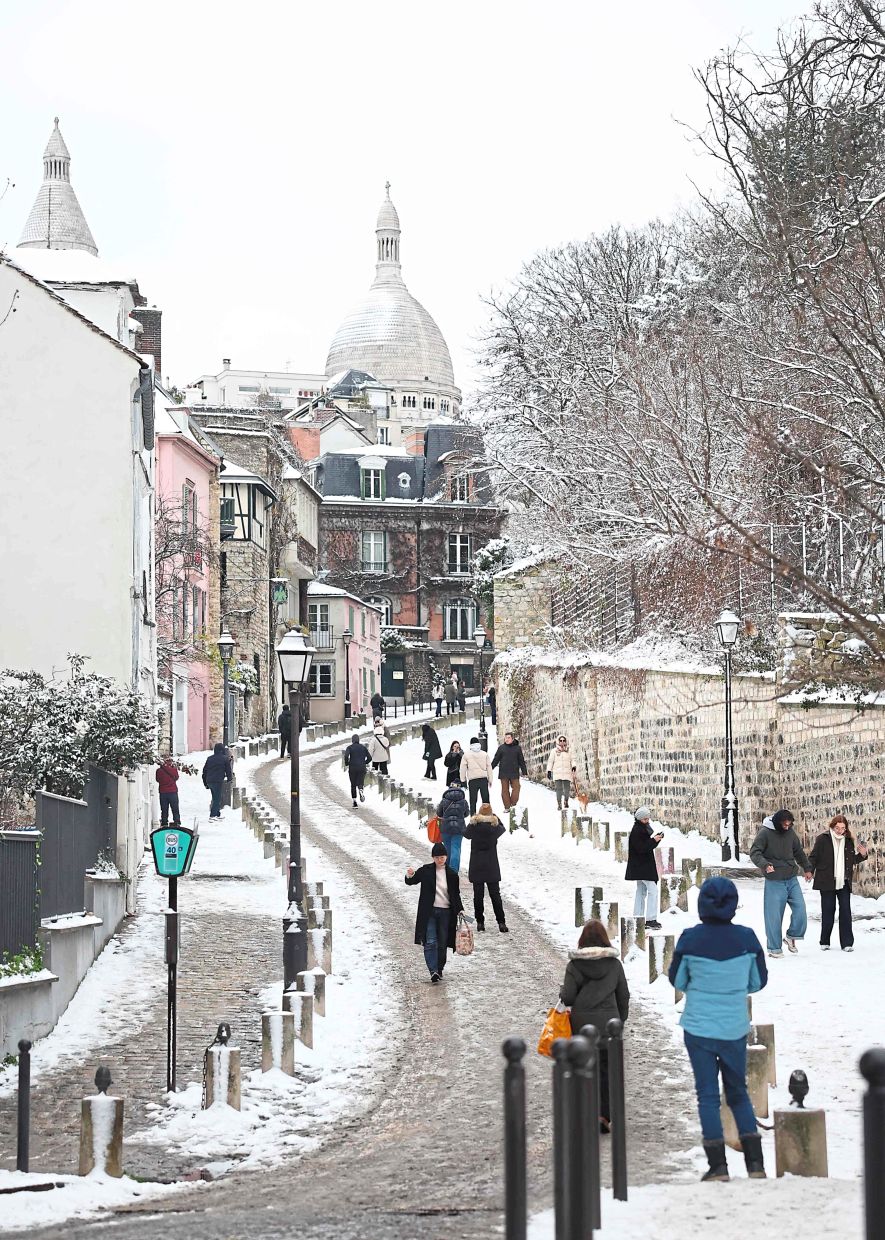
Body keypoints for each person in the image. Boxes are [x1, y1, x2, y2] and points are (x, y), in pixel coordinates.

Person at [668, 876, 768, 1182]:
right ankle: (755, 1164)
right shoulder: (748, 939)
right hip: (734, 1027)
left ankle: (718, 1166)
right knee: (738, 1094)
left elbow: (678, 980)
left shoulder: (689, 939)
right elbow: (758, 982)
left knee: (707, 1096)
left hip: (699, 1028)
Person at [559, 919, 630, 1131]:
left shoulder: (574, 965)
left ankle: (585, 1111)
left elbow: (569, 997)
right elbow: (623, 996)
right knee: (607, 1071)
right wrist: (620, 1020)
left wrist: (562, 991)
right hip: (609, 1024)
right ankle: (604, 1116)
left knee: (584, 1068)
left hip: (582, 1025)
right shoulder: (615, 965)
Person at [749, 808, 812, 958]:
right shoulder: (765, 833)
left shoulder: (790, 833)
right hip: (774, 880)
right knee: (774, 916)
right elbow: (755, 852)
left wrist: (807, 868)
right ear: (778, 823)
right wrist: (765, 864)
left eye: (790, 824)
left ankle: (791, 936)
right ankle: (774, 948)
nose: (787, 826)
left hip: (791, 878)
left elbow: (798, 852)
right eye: (785, 824)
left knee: (801, 910)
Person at [405, 841, 464, 984]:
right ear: (433, 857)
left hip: (446, 913)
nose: (440, 859)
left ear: (446, 857)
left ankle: (439, 968)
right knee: (431, 941)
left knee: (443, 943)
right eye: (437, 857)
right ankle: (433, 970)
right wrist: (410, 875)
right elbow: (411, 882)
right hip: (429, 912)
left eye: (443, 856)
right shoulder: (425, 871)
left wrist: (460, 909)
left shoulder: (451, 874)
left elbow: (455, 894)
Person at [808, 813, 868, 951]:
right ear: (832, 826)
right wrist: (809, 871)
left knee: (846, 911)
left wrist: (863, 854)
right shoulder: (823, 839)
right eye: (837, 827)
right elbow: (813, 857)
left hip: (844, 881)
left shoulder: (848, 841)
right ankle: (825, 941)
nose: (840, 830)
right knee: (828, 911)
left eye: (843, 828)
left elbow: (851, 861)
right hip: (827, 880)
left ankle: (847, 943)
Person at [465, 801, 508, 932]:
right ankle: (501, 922)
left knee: (478, 896)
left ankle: (480, 922)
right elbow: (503, 827)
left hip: (477, 864)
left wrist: (474, 820)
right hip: (491, 864)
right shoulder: (494, 827)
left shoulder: (474, 827)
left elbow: (466, 834)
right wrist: (495, 817)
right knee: (495, 895)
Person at [625, 807, 663, 930]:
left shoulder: (640, 829)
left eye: (648, 818)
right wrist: (653, 841)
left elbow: (645, 846)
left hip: (640, 867)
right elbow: (641, 848)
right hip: (643, 867)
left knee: (641, 892)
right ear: (639, 819)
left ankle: (638, 917)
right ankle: (651, 919)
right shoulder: (637, 830)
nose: (647, 821)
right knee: (653, 891)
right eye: (645, 819)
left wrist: (655, 840)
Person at [491, 731, 527, 810]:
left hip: (514, 772)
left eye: (508, 738)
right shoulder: (501, 748)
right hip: (503, 772)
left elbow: (521, 760)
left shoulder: (517, 748)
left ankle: (513, 804)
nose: (507, 739)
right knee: (505, 790)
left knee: (517, 787)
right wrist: (490, 768)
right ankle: (507, 807)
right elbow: (496, 759)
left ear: (512, 738)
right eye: (505, 738)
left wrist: (524, 771)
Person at [437, 782, 469, 872]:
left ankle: (446, 869)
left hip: (446, 828)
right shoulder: (463, 801)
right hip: (459, 829)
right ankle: (453, 871)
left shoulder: (444, 800)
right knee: (456, 848)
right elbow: (466, 814)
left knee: (447, 849)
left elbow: (439, 813)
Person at [460, 737, 495, 814]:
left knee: (473, 801)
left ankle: (473, 817)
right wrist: (490, 779)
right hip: (483, 779)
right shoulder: (484, 754)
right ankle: (487, 816)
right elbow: (489, 767)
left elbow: (463, 768)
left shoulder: (466, 755)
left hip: (473, 780)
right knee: (485, 800)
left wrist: (463, 779)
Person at [202, 742, 232, 821]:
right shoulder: (225, 758)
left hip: (209, 780)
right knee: (217, 798)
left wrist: (205, 782)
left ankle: (217, 814)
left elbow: (204, 771)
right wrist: (229, 778)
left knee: (215, 796)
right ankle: (212, 815)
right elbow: (228, 770)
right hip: (218, 780)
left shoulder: (210, 758)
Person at [546, 735, 577, 811]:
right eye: (561, 740)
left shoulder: (569, 750)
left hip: (567, 772)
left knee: (567, 789)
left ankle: (566, 801)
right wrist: (549, 770)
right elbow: (550, 761)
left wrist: (573, 766)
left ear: (566, 741)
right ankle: (559, 803)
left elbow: (573, 759)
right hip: (557, 772)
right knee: (559, 789)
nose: (562, 742)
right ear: (558, 741)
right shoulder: (554, 751)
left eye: (564, 740)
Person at [343, 733, 371, 808]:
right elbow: (369, 758)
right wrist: (364, 762)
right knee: (360, 781)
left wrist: (347, 763)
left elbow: (346, 756)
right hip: (362, 767)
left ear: (352, 740)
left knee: (353, 785)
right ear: (358, 740)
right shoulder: (363, 747)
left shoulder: (350, 747)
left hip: (352, 767)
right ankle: (361, 789)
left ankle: (355, 802)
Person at [155, 755, 181, 826]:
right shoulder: (174, 769)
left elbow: (157, 780)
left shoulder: (159, 771)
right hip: (173, 791)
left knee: (164, 809)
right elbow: (176, 777)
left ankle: (164, 822)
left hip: (163, 792)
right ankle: (177, 821)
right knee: (175, 808)